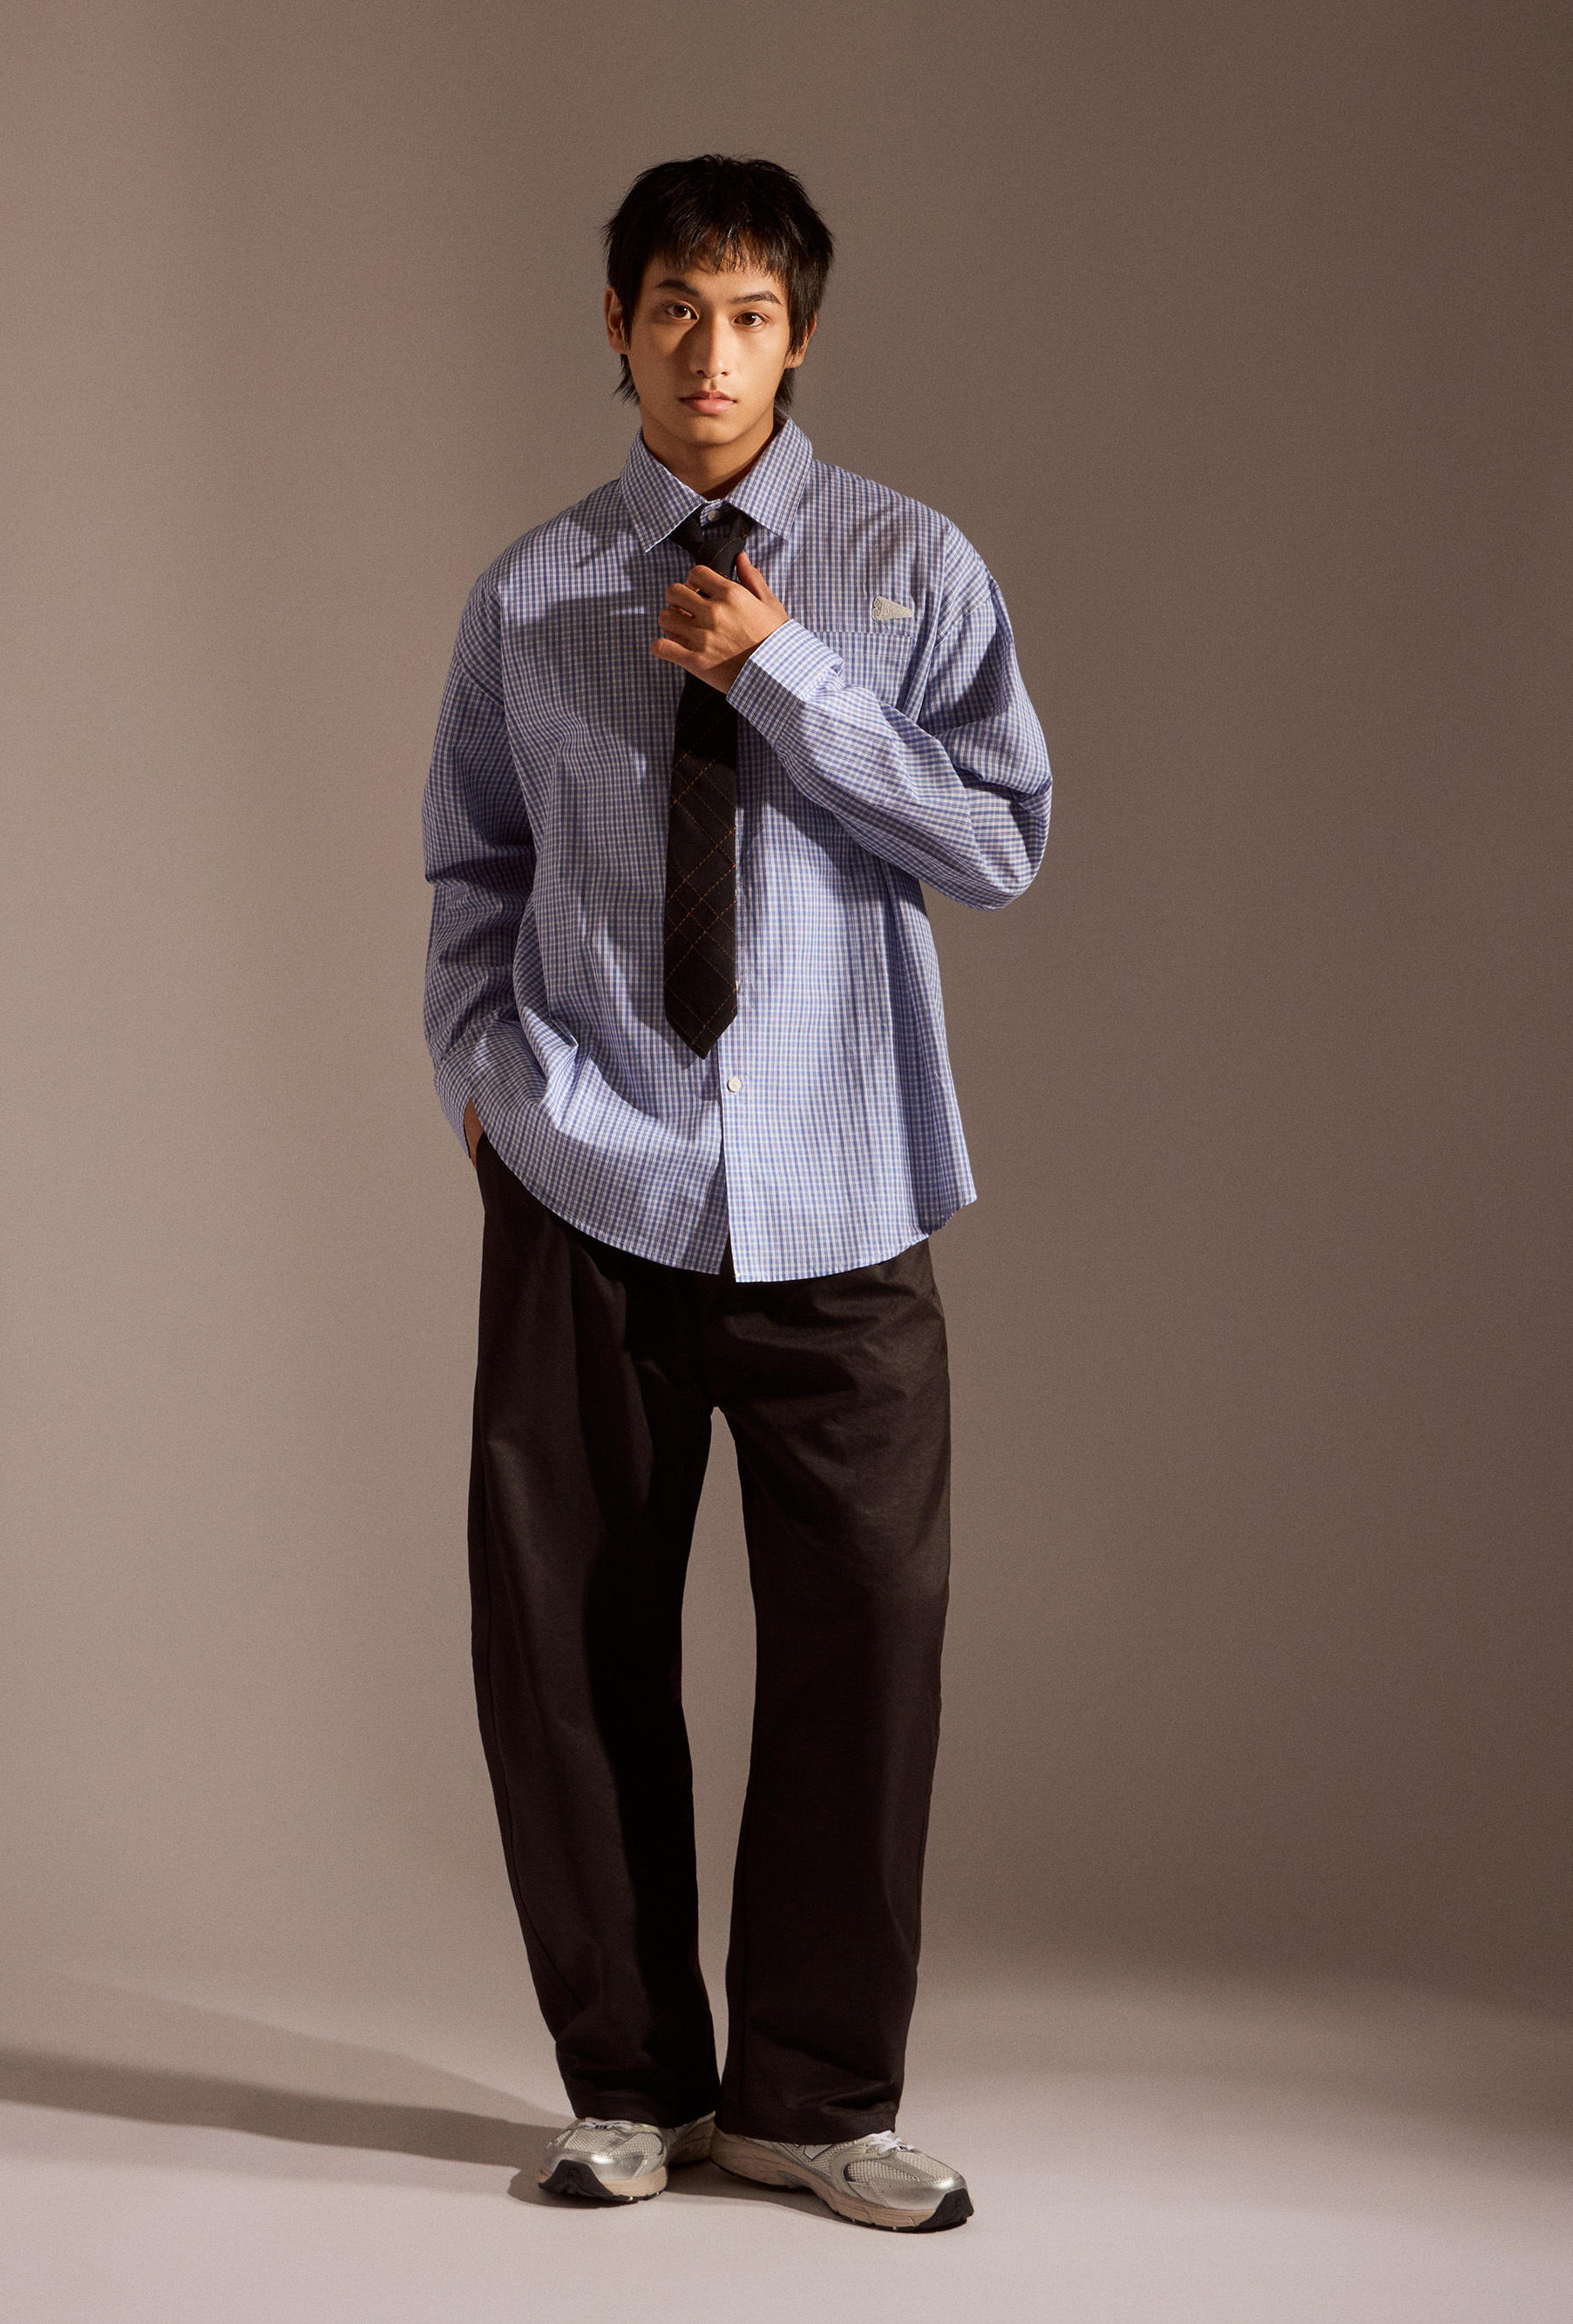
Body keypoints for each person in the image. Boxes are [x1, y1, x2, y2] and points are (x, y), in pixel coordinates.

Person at [422, 153, 1049, 2233]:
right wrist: (491, 1095)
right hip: (587, 1176)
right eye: (676, 309)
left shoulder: (906, 567)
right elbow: (472, 869)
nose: (712, 354)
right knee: (567, 1637)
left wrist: (785, 673)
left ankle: (813, 2098)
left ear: (802, 336)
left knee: (869, 1638)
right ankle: (628, 2084)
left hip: (842, 1191)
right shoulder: (526, 593)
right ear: (616, 323)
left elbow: (998, 841)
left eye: (753, 315)